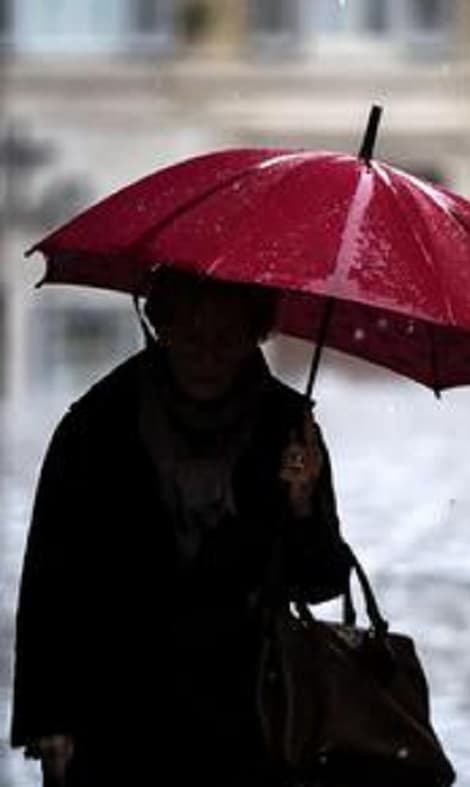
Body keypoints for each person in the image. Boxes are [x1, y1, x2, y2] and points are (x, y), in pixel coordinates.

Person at [10, 267, 352, 786]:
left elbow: (321, 581)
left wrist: (303, 508)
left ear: (254, 333)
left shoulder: (289, 429)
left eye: (227, 335)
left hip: (248, 723)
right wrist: (50, 721)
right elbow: (51, 579)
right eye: (192, 333)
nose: (208, 352)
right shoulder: (99, 422)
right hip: (117, 715)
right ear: (161, 326)